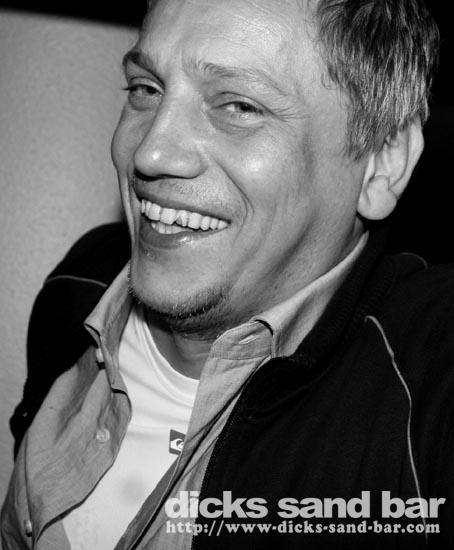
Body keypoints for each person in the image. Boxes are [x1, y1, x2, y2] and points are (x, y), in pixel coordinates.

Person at [1, 0, 448, 548]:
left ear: (383, 162)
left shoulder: (426, 378)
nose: (150, 152)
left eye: (238, 106)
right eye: (146, 88)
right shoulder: (81, 283)